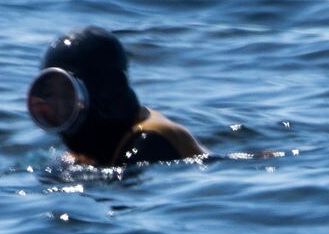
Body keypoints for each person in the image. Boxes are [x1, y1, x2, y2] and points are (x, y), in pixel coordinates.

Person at [25, 27, 204, 169]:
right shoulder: (94, 145)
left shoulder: (149, 142)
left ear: (108, 89)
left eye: (68, 94)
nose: (59, 107)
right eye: (49, 95)